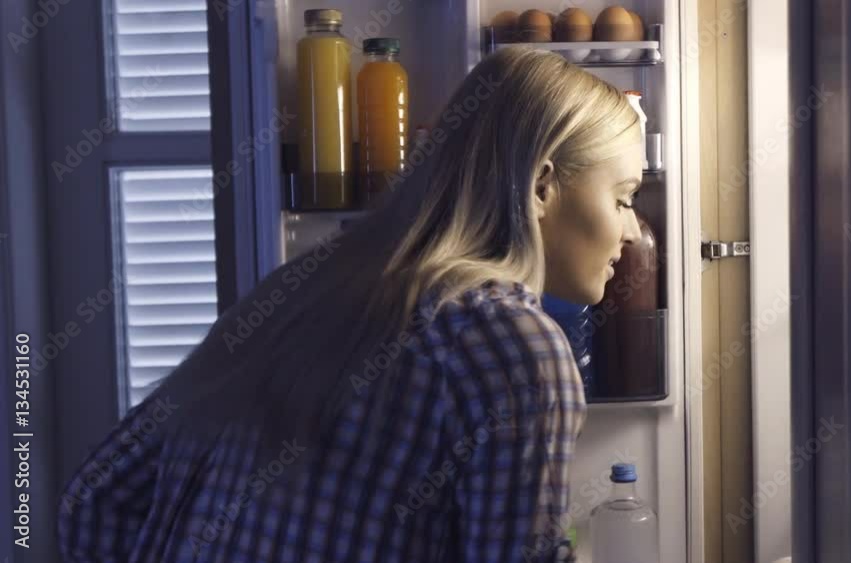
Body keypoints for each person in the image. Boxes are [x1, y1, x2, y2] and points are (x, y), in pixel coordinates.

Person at [57, 46, 644, 562]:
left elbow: (95, 502)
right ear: (541, 186)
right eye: (623, 199)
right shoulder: (512, 344)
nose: (631, 230)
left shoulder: (303, 287)